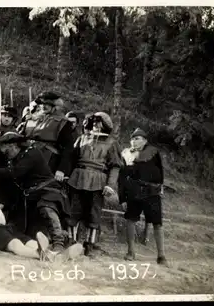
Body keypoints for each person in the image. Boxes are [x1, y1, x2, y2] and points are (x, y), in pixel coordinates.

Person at [0, 132, 71, 254]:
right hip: (30, 196)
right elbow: (13, 184)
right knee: (24, 227)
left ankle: (59, 244)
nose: (6, 155)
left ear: (14, 145)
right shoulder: (15, 159)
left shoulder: (32, 153)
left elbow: (16, 173)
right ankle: (39, 246)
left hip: (47, 191)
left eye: (7, 152)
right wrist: (4, 203)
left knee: (46, 208)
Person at [67, 112, 123, 256]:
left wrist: (110, 185)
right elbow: (71, 159)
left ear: (105, 125)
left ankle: (90, 245)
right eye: (93, 122)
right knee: (74, 211)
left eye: (99, 122)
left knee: (94, 213)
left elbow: (115, 166)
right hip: (78, 178)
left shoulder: (111, 143)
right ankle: (71, 242)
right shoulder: (82, 139)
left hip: (98, 180)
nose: (95, 125)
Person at [119, 128, 168, 266]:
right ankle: (131, 252)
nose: (134, 141)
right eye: (133, 139)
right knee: (130, 220)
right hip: (134, 192)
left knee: (157, 223)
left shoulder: (153, 152)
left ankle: (161, 256)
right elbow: (122, 177)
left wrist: (160, 186)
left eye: (138, 138)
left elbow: (160, 172)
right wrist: (122, 197)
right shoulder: (126, 153)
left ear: (145, 140)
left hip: (152, 192)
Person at [18, 92, 75, 185]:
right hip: (26, 157)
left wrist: (61, 169)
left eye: (48, 104)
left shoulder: (63, 122)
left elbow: (68, 148)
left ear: (55, 106)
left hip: (47, 160)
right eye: (42, 103)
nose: (44, 106)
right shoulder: (32, 119)